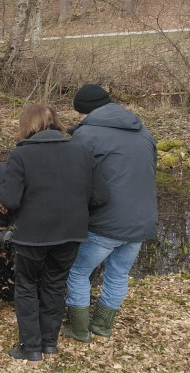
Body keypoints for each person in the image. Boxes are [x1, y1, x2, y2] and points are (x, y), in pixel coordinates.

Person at [0, 105, 107, 362]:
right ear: (56, 123)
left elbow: (10, 200)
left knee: (26, 286)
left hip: (33, 234)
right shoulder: (81, 150)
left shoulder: (21, 154)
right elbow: (100, 196)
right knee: (55, 285)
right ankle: (49, 344)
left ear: (27, 125)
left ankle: (31, 347)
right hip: (72, 232)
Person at [63, 84, 157, 342]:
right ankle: (102, 326)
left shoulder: (86, 135)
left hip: (105, 223)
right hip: (141, 221)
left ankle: (79, 330)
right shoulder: (142, 130)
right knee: (117, 273)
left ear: (84, 112)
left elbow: (75, 182)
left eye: (79, 115)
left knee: (78, 272)